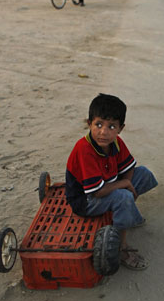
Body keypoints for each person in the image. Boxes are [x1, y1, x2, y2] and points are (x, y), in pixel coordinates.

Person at [66, 94, 158, 270]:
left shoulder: (116, 142)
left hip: (107, 184)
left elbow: (129, 167)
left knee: (144, 174)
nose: (104, 132)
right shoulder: (84, 149)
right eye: (98, 124)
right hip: (85, 200)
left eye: (111, 126)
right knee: (122, 196)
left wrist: (128, 184)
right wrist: (124, 186)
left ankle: (125, 213)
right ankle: (122, 248)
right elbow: (97, 192)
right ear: (89, 123)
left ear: (120, 129)